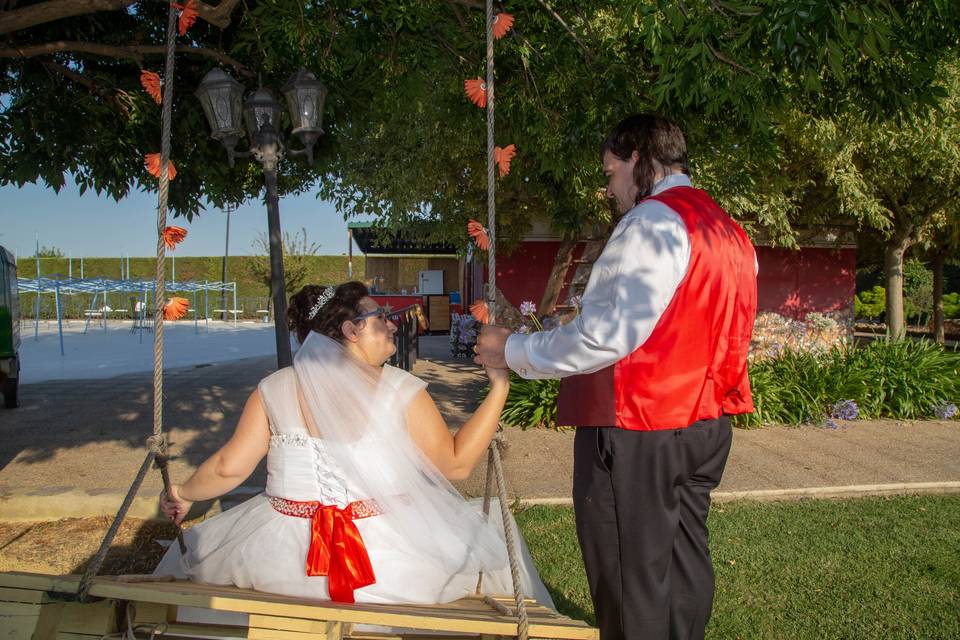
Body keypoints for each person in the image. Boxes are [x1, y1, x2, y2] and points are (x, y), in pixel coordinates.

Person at [475, 114, 758, 640]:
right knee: (684, 561)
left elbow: (606, 337)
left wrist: (511, 347)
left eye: (611, 174)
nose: (611, 190)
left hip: (640, 427)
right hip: (705, 425)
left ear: (638, 158)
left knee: (631, 577)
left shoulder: (652, 223)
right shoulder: (730, 230)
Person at [156, 281, 552, 608]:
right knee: (495, 530)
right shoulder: (402, 391)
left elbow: (230, 467)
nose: (394, 324)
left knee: (201, 552)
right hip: (386, 564)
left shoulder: (273, 388)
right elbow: (456, 465)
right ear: (351, 330)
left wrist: (184, 493)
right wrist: (499, 385)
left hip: (279, 560)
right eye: (381, 317)